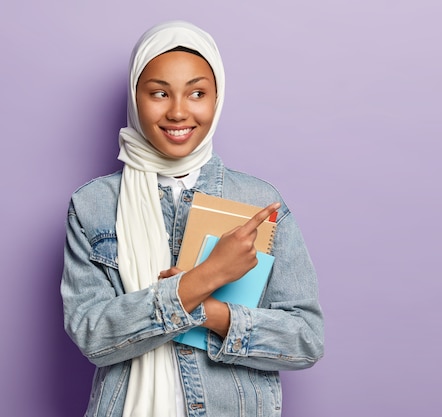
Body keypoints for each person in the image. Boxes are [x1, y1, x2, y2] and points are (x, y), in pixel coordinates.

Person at [61, 20, 324, 417]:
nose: (179, 111)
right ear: (136, 98)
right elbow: (94, 336)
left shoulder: (259, 203)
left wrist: (209, 312)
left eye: (197, 93)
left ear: (217, 99)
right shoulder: (93, 205)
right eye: (159, 93)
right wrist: (207, 278)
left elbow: (305, 341)